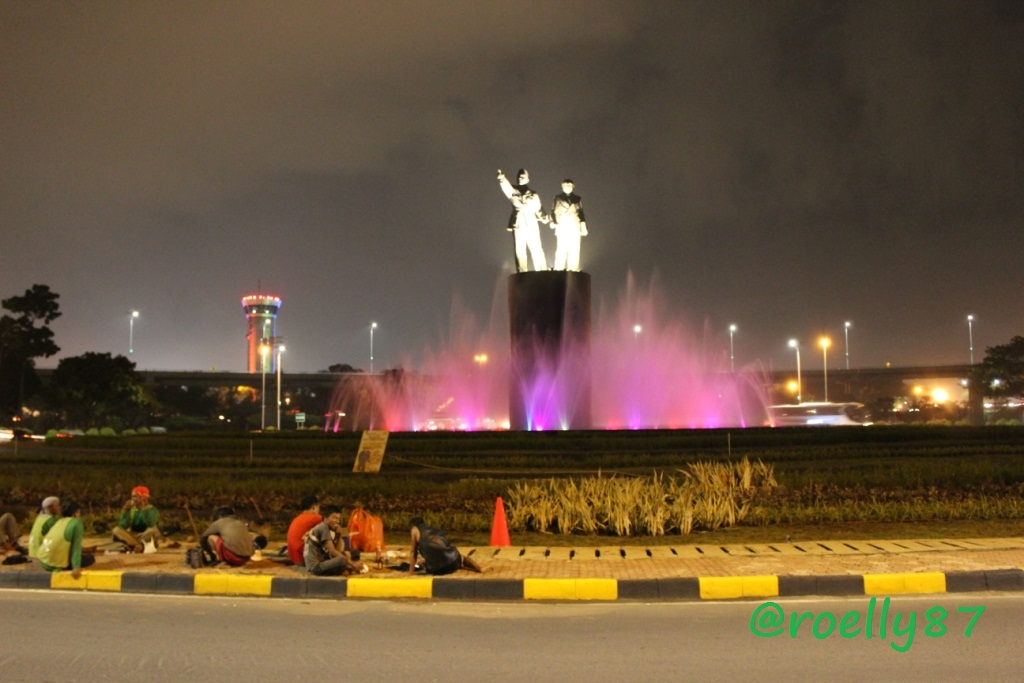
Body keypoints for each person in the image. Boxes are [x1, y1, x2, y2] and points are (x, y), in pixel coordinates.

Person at [498, 168, 548, 272]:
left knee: (536, 248)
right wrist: (502, 179)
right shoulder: (513, 192)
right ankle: (522, 272)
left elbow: (538, 208)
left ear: (528, 179)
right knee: (520, 250)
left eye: (523, 176)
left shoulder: (533, 194)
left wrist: (544, 217)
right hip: (518, 223)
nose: (520, 178)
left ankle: (542, 271)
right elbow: (507, 187)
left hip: (531, 222)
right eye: (519, 176)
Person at [37, 501, 95, 579]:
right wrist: (76, 567)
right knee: (90, 558)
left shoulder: (59, 521)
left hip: (42, 559)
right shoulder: (76, 522)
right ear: (76, 513)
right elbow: (76, 547)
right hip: (53, 564)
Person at [304, 505, 364, 576]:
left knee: (345, 555)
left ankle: (344, 570)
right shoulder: (323, 528)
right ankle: (345, 570)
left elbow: (338, 550)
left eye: (338, 519)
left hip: (322, 562)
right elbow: (332, 552)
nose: (337, 521)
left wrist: (339, 535)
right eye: (334, 518)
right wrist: (352, 564)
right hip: (315, 567)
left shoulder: (330, 530)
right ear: (326, 518)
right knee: (342, 559)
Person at [408, 517, 481, 575]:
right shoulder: (431, 531)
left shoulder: (414, 529)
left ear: (412, 526)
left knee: (425, 563)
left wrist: (411, 572)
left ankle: (461, 565)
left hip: (438, 570)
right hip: (453, 562)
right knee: (462, 558)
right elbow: (442, 547)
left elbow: (413, 553)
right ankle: (478, 568)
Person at [549, 178, 588, 272]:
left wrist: (584, 227)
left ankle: (573, 270)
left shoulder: (577, 199)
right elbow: (552, 212)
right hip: (562, 226)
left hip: (574, 227)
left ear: (573, 187)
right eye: (565, 185)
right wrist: (552, 222)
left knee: (574, 250)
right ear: (562, 186)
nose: (567, 187)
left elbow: (581, 214)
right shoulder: (557, 198)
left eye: (569, 185)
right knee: (561, 250)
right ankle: (559, 269)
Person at [112, 485, 162, 552]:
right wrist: (126, 511)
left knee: (153, 529)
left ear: (143, 498)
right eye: (132, 496)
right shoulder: (132, 510)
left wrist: (143, 509)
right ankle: (138, 546)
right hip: (132, 536)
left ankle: (134, 545)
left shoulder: (151, 509)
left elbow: (151, 523)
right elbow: (123, 526)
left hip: (145, 535)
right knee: (116, 530)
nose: (132, 499)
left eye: (135, 496)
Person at [286, 495, 322, 565]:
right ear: (314, 507)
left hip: (294, 558)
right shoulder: (315, 518)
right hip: (304, 560)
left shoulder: (296, 519)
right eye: (318, 508)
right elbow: (331, 524)